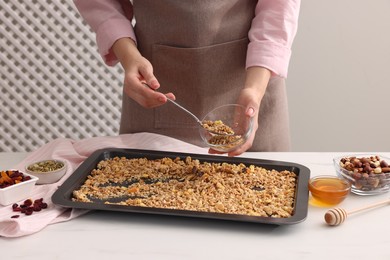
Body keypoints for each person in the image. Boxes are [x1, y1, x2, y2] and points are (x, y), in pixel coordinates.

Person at [73, 0, 301, 156]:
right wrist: (128, 54)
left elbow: (278, 7)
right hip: (157, 87)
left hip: (255, 83)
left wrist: (254, 89)